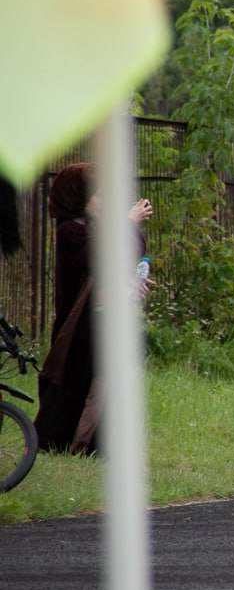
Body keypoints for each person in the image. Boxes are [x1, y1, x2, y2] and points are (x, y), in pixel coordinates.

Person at [35, 163, 152, 454]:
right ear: (78, 198)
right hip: (77, 328)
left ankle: (93, 444)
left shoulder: (91, 229)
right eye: (98, 194)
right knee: (72, 385)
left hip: (100, 318)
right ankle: (58, 442)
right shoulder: (70, 231)